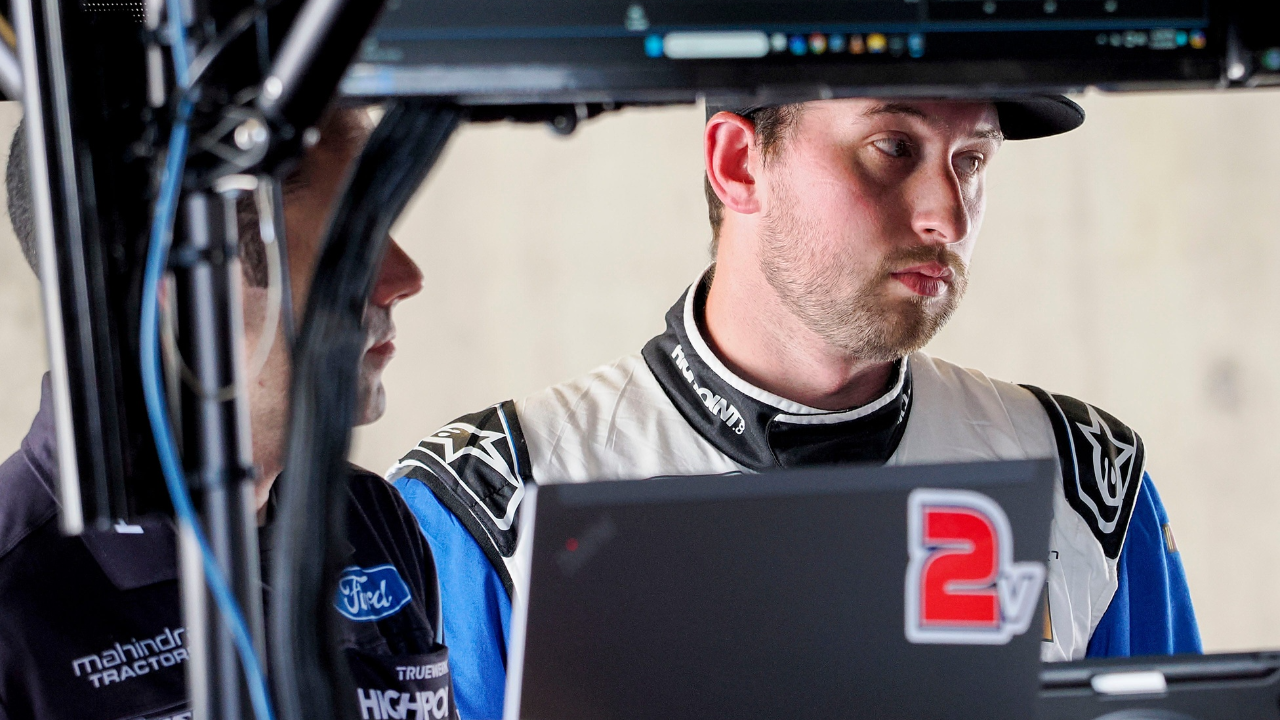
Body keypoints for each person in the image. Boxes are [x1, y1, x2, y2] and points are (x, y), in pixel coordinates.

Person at [388, 96, 1203, 718]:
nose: (947, 215)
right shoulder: (484, 500)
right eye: (894, 147)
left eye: (973, 160)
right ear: (740, 163)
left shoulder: (1084, 477)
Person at [0, 109, 456, 720]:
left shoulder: (372, 519)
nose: (404, 278)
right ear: (176, 276)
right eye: (350, 237)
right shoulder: (13, 604)